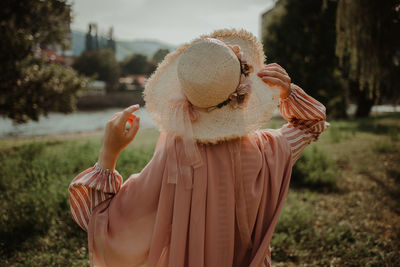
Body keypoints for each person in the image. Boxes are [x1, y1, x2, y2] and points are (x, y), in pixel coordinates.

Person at [69, 29, 329, 267]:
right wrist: (288, 93)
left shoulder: (172, 159)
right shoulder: (269, 150)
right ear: (244, 89)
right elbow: (311, 124)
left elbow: (102, 223)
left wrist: (109, 153)